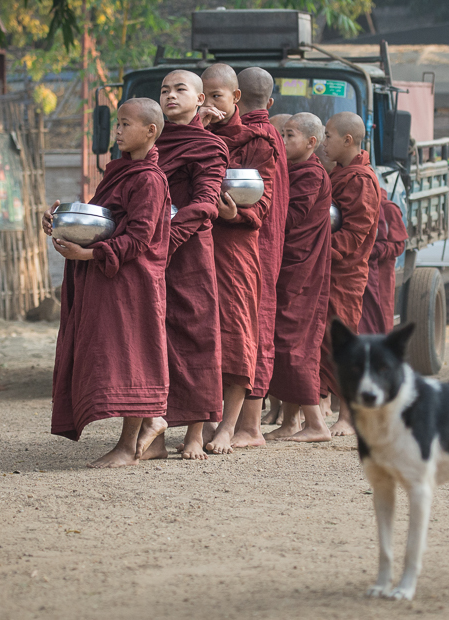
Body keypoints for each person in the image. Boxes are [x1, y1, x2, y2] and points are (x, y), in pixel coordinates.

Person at [45, 98, 170, 468]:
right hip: (110, 279)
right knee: (117, 354)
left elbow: (140, 237)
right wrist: (61, 221)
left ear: (150, 131)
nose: (117, 131)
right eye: (116, 124)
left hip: (133, 282)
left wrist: (89, 255)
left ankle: (128, 447)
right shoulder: (119, 171)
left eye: (125, 124)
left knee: (133, 357)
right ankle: (148, 435)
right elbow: (104, 221)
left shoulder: (148, 179)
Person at [144, 70, 229, 461]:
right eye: (164, 90)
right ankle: (155, 432)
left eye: (180, 89)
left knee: (196, 338)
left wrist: (168, 239)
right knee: (153, 339)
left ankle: (195, 433)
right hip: (149, 255)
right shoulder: (148, 141)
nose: (170, 95)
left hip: (189, 251)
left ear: (200, 101)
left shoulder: (208, 144)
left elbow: (206, 201)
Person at [196, 64, 280, 455]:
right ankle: (202, 422)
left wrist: (235, 214)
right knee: (198, 334)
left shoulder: (257, 141)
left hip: (235, 249)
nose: (211, 104)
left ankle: (230, 426)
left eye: (218, 96)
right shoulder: (190, 136)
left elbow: (262, 202)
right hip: (196, 247)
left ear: (236, 99)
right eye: (205, 96)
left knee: (236, 334)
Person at [266, 113, 333, 442]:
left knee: (295, 344)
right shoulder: (295, 170)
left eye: (289, 135)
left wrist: (260, 205)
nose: (282, 140)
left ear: (311, 143)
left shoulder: (311, 174)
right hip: (290, 266)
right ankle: (292, 422)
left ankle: (317, 424)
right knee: (284, 341)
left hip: (302, 272)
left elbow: (290, 218)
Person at [318, 111, 381, 436]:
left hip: (344, 272)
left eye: (327, 135)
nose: (323, 141)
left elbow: (356, 232)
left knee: (340, 342)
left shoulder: (360, 180)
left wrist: (318, 254)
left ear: (347, 140)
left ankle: (347, 415)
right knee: (322, 341)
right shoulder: (342, 173)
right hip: (328, 271)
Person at [358, 190, 408, 334]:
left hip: (382, 274)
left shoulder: (388, 208)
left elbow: (399, 245)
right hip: (358, 270)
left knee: (381, 315)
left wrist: (375, 251)